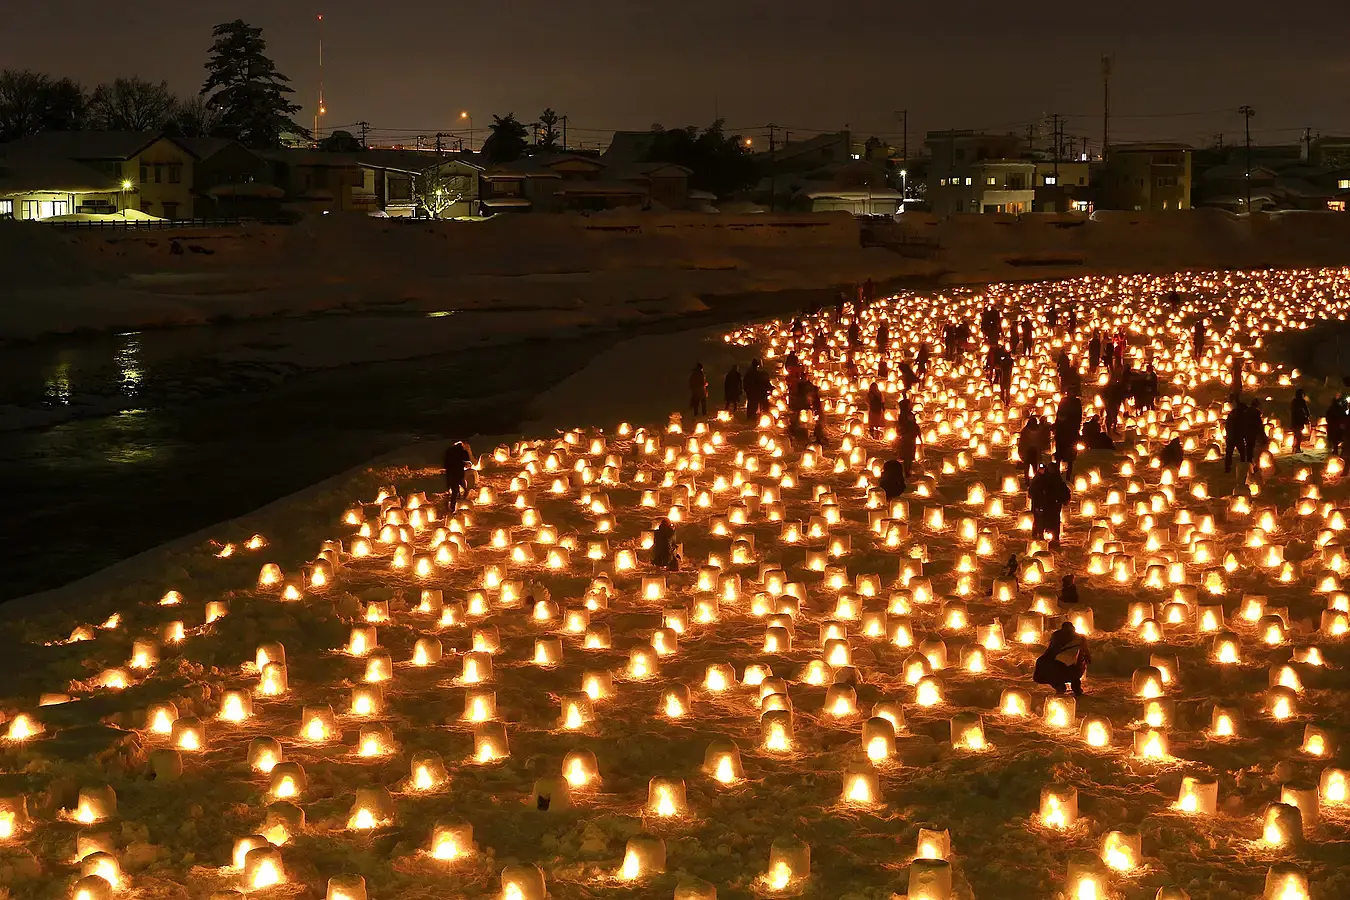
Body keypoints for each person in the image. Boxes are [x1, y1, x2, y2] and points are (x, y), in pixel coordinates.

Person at [1034, 622, 1090, 696]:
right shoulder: (1060, 638)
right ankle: (1066, 687)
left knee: (1067, 676)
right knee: (1073, 677)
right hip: (1069, 668)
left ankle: (1063, 686)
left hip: (1066, 668)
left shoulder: (1058, 637)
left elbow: (1050, 652)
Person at [1030, 463, 1070, 548]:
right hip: (1045, 506)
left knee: (1052, 523)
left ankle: (1054, 540)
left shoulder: (1057, 481)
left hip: (1053, 507)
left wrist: (1063, 499)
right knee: (1041, 522)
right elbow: (1035, 492)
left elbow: (1064, 492)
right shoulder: (1042, 480)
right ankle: (1039, 540)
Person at [443, 440, 473, 508]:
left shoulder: (449, 451)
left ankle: (453, 504)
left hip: (450, 473)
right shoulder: (462, 451)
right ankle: (456, 504)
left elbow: (445, 464)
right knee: (459, 488)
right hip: (458, 472)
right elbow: (468, 461)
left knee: (454, 489)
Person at [1224, 397, 1248, 474]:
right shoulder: (1241, 416)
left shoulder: (1232, 414)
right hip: (1237, 437)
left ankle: (1228, 467)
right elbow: (1243, 427)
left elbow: (1227, 425)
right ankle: (1243, 466)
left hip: (1231, 436)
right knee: (1242, 452)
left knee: (1229, 453)